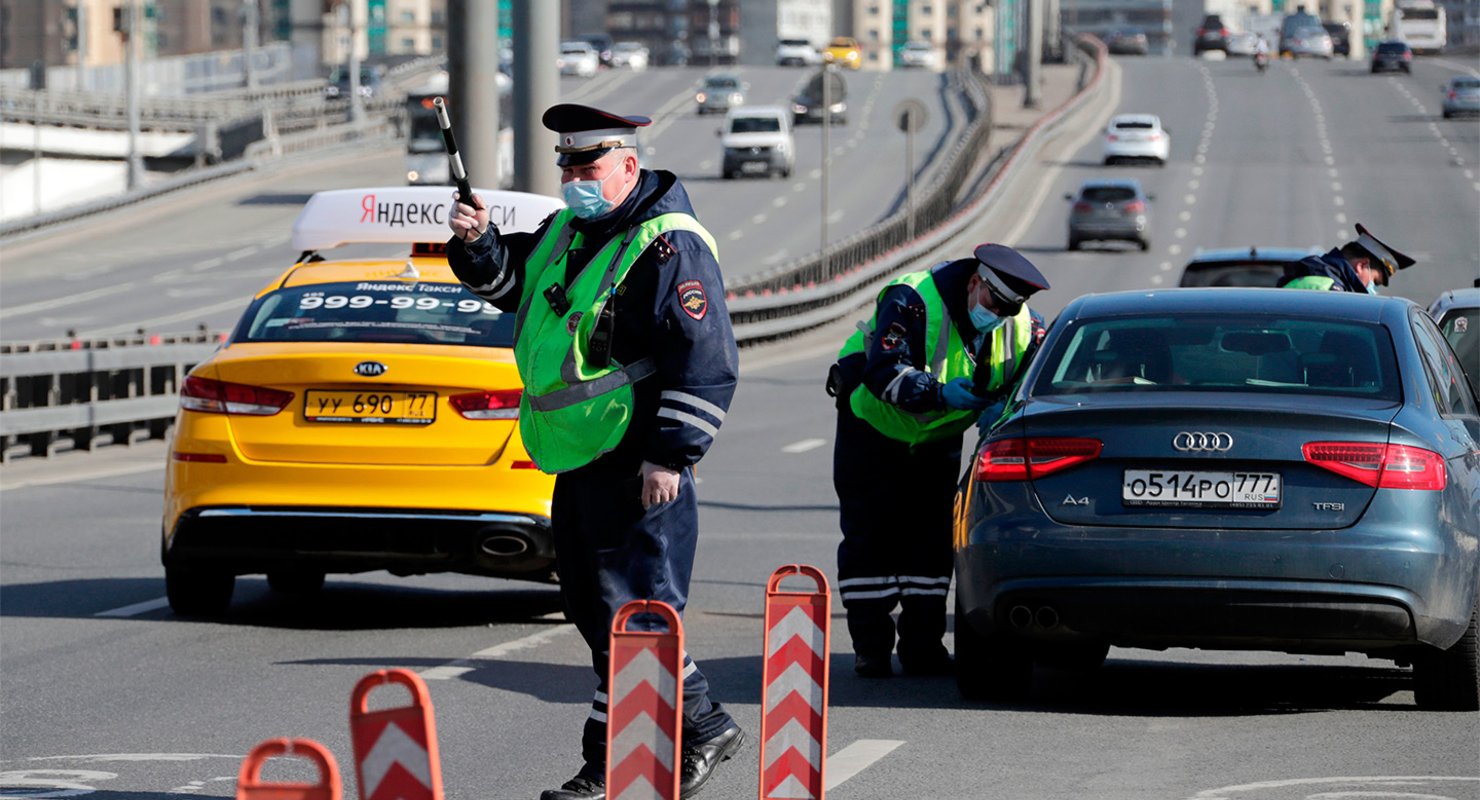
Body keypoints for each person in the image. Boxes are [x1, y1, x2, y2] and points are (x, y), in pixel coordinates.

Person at [446, 103, 743, 800]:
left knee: (631, 610)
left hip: (637, 458)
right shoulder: (567, 230)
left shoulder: (670, 245)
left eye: (588, 166)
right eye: (568, 167)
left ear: (628, 165)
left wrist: (671, 455)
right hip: (580, 452)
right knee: (595, 606)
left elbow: (705, 359)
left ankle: (608, 764)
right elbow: (510, 288)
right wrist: (480, 241)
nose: (574, 179)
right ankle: (703, 724)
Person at [826, 244, 1049, 678]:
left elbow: (1033, 376)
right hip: (872, 430)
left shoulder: (1022, 324)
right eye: (992, 304)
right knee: (869, 539)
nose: (997, 316)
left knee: (929, 543)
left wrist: (1003, 408)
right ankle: (870, 648)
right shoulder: (912, 299)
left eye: (1007, 310)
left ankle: (922, 647)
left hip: (938, 440)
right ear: (974, 282)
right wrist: (939, 392)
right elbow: (884, 373)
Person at [1280, 223, 1415, 293]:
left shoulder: (1318, 277)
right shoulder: (1330, 292)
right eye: (1375, 281)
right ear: (1361, 266)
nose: (1373, 289)